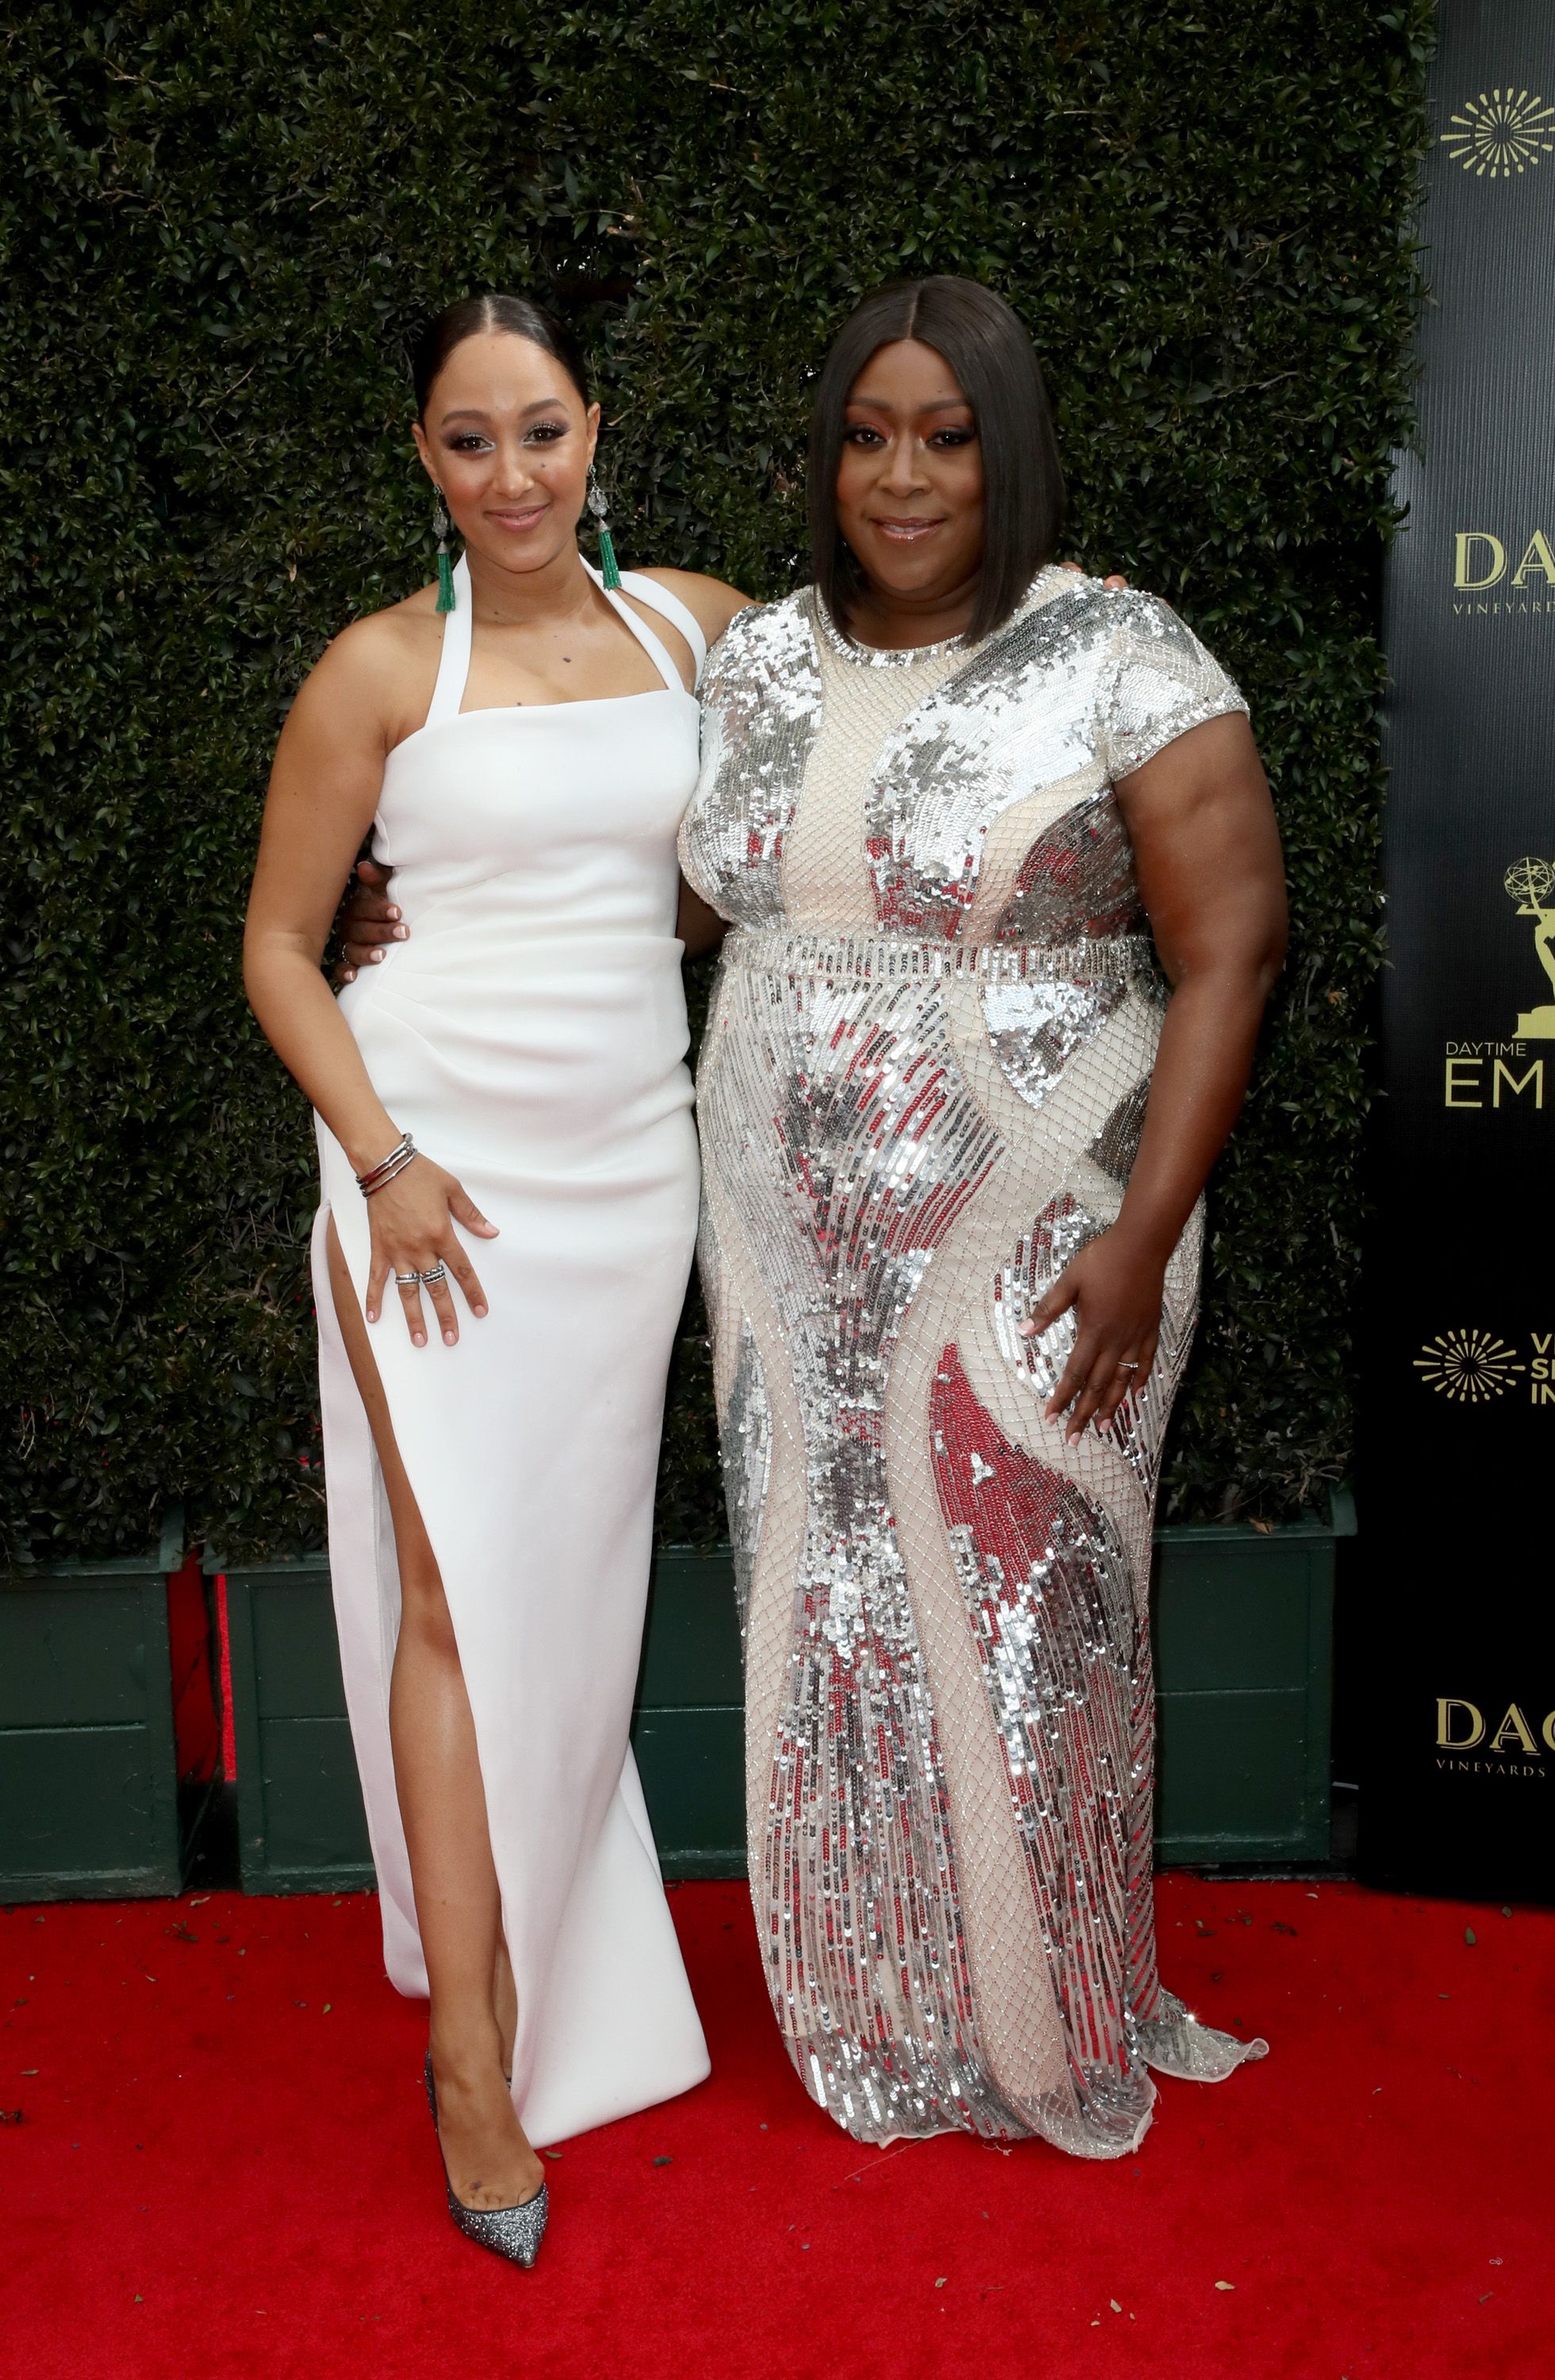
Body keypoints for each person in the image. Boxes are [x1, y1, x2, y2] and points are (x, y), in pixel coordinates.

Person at [344, 274, 1287, 2160]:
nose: (903, 475)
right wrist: (404, 891)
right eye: (867, 435)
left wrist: (1142, 1233)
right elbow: (647, 864)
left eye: (945, 437)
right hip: (772, 1249)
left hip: (1049, 1224)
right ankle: (874, 2003)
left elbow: (1233, 946)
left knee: (1032, 1616)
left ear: (1007, 449)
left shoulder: (1119, 649)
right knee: (833, 1610)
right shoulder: (751, 655)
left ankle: (1043, 2008)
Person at [244, 292, 747, 2263]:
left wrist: (1074, 592)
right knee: (453, 1579)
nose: (514, 475)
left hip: (634, 1163)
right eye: (471, 440)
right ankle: (472, 2055)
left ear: (595, 431)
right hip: (429, 1171)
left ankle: (539, 1955)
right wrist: (385, 1162)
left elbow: (889, 695)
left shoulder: (696, 627)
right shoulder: (376, 669)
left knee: (574, 1584)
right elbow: (284, 948)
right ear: (425, 459)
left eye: (542, 431)